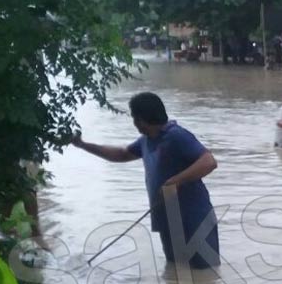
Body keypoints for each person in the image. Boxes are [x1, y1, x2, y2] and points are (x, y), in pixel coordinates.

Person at [72, 92, 220, 269]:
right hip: (167, 217)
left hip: (193, 218)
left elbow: (209, 162)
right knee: (177, 272)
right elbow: (121, 154)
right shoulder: (147, 140)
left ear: (142, 119)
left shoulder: (176, 136)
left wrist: (175, 181)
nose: (134, 123)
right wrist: (84, 145)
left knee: (205, 272)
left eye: (135, 118)